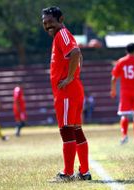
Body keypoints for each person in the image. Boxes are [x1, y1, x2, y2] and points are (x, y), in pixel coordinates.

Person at [42, 6, 91, 181]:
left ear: (60, 20)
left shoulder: (62, 34)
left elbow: (76, 53)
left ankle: (68, 173)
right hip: (72, 89)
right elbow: (79, 55)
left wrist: (70, 77)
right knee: (76, 130)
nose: (48, 25)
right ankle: (84, 172)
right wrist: (75, 77)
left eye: (51, 22)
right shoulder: (61, 36)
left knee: (66, 130)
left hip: (67, 92)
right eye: (45, 23)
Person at [110, 43, 134, 144]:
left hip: (125, 92)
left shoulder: (121, 61)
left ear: (126, 51)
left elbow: (114, 78)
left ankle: (124, 136)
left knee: (124, 114)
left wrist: (113, 90)